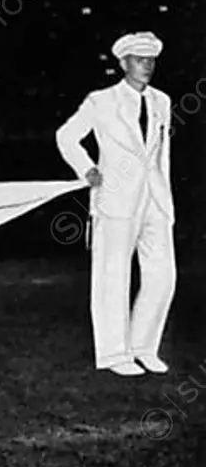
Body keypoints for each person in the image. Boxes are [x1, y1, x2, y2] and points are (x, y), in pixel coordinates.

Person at [55, 31, 175, 377]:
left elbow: (160, 155)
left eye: (151, 59)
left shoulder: (162, 101)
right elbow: (66, 136)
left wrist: (165, 198)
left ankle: (143, 347)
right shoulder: (101, 101)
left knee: (163, 276)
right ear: (123, 63)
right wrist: (87, 168)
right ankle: (114, 354)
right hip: (115, 201)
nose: (147, 66)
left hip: (155, 201)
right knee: (112, 276)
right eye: (139, 59)